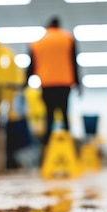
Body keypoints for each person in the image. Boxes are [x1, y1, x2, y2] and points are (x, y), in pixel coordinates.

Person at [27, 16, 81, 146]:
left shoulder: (39, 41)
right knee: (65, 116)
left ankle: (46, 151)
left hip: (47, 85)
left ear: (48, 26)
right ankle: (68, 150)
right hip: (64, 84)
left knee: (49, 118)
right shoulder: (67, 38)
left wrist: (25, 82)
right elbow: (74, 62)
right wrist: (78, 84)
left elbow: (32, 65)